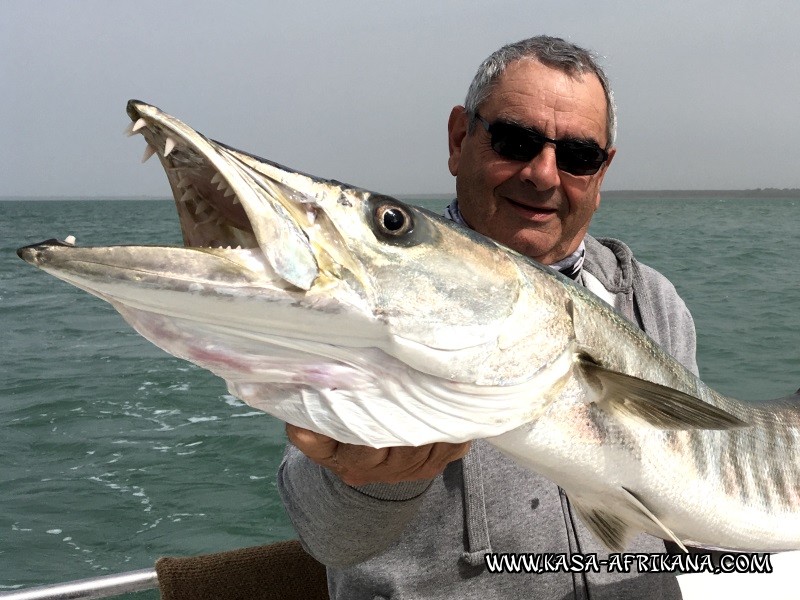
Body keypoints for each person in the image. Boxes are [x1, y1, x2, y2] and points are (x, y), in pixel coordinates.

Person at [278, 35, 696, 599]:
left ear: (601, 172)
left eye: (578, 156)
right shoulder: (369, 299)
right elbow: (330, 535)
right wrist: (372, 481)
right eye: (515, 140)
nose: (544, 174)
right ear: (459, 139)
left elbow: (693, 498)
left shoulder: (652, 300)